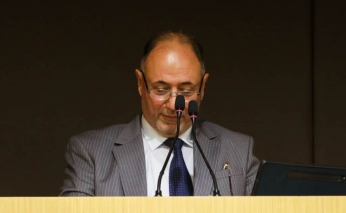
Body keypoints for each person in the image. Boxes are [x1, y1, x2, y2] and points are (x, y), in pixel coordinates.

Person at [60, 31, 259, 196]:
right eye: (161, 90)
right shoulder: (92, 154)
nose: (173, 105)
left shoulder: (238, 151)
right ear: (140, 83)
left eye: (186, 91)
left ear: (203, 87)